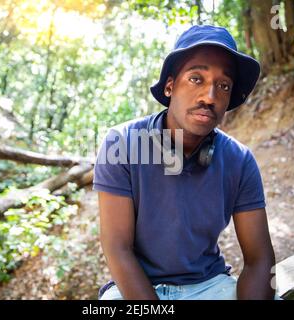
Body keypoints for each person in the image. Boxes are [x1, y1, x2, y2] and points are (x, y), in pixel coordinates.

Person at [93, 25, 277, 300]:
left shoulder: (240, 161)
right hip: (135, 288)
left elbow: (259, 259)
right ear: (170, 86)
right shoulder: (120, 143)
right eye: (196, 79)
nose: (209, 97)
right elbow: (118, 248)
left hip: (210, 285)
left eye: (223, 85)